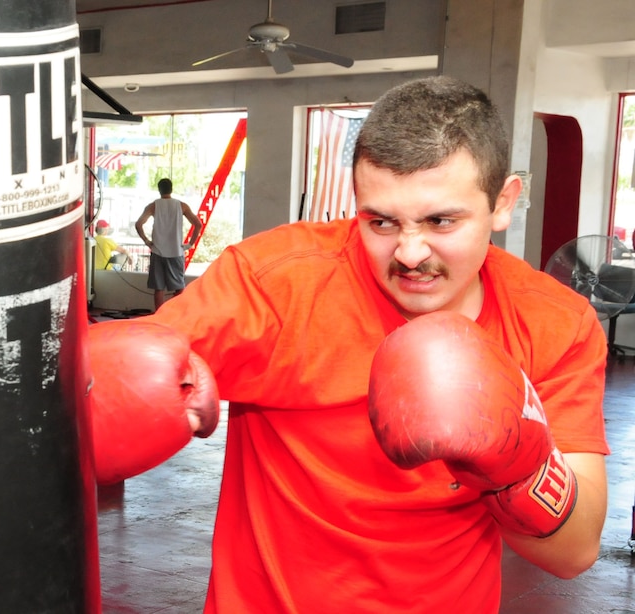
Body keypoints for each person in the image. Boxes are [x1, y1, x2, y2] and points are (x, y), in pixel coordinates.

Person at [87, 76, 609, 613]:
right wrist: (115, 396)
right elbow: (99, 391)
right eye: (381, 221)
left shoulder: (553, 323)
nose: (409, 252)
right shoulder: (275, 284)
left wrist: (514, 465)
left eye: (440, 221)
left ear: (503, 203)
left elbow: (574, 552)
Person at [135, 178, 203, 311]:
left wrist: (147, 241)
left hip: (157, 251)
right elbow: (198, 224)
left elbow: (139, 224)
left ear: (159, 190)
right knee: (179, 288)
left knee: (159, 288)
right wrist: (190, 244)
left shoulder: (153, 206)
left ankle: (160, 316)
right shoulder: (182, 205)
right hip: (176, 252)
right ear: (171, 189)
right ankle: (174, 315)